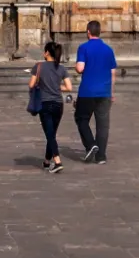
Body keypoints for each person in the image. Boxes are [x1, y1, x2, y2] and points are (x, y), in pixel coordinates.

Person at [71, 21, 116, 164]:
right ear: (99, 32)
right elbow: (112, 73)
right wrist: (111, 92)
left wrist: (76, 66)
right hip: (105, 92)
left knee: (81, 119)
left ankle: (91, 144)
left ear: (88, 32)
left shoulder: (83, 47)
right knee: (103, 124)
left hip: (87, 91)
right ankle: (101, 156)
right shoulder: (108, 50)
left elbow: (80, 68)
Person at [25, 39, 72, 172]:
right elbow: (69, 87)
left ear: (46, 53)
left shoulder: (39, 66)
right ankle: (46, 161)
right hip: (58, 104)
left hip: (45, 104)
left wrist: (42, 84)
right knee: (51, 134)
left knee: (50, 134)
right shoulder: (61, 68)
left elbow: (31, 84)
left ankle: (57, 161)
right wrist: (57, 87)